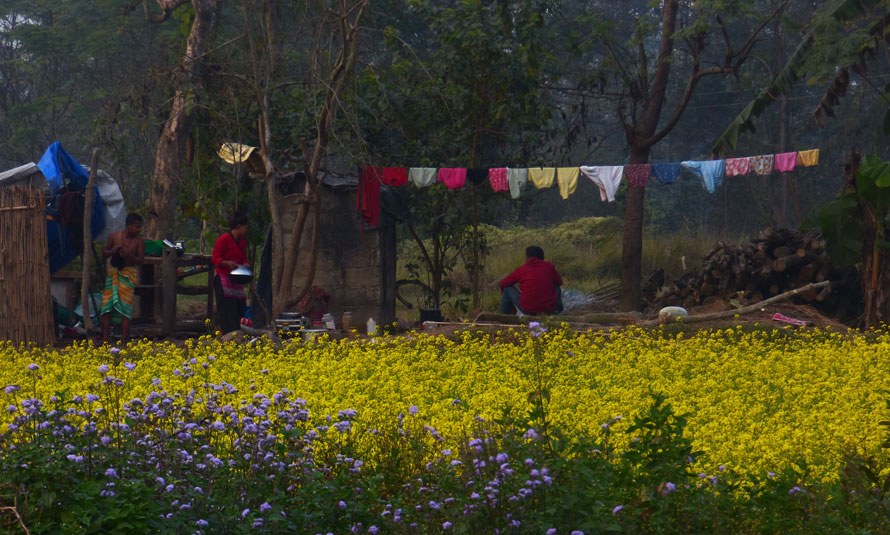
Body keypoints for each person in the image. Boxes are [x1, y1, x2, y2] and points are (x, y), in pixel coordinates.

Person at [100, 213, 145, 343]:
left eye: (140, 227)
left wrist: (128, 255)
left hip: (128, 275)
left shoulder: (139, 241)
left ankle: (124, 341)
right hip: (113, 274)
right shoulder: (114, 236)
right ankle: (105, 340)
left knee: (125, 310)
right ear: (129, 225)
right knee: (106, 308)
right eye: (137, 227)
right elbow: (104, 252)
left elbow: (141, 260)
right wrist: (113, 251)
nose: (139, 230)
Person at [212, 210, 249, 334]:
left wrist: (245, 264)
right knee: (228, 307)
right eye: (245, 227)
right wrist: (227, 263)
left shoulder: (242, 242)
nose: (246, 230)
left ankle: (236, 330)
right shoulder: (223, 240)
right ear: (239, 227)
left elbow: (243, 257)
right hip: (223, 278)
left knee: (240, 306)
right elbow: (215, 258)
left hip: (236, 278)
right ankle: (227, 332)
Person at [499, 245, 563, 316]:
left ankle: (504, 316)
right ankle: (556, 311)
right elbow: (559, 282)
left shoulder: (521, 269)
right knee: (557, 287)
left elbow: (503, 283)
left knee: (507, 288)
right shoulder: (549, 267)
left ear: (527, 258)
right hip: (548, 310)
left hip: (527, 309)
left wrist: (512, 306)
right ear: (542, 258)